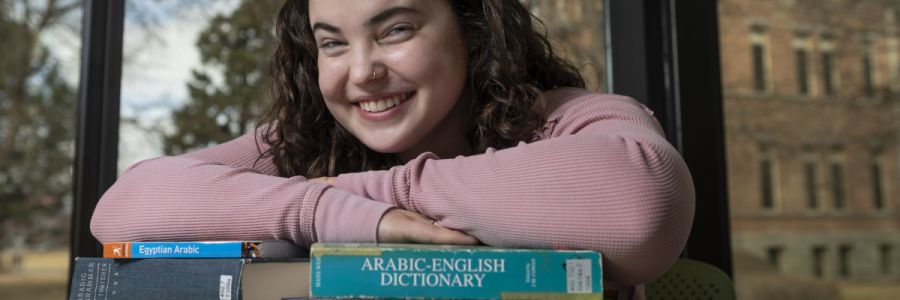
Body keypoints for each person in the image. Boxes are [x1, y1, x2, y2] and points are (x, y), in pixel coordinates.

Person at [91, 0, 695, 298]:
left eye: (396, 30)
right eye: (333, 44)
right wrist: (326, 212)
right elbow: (123, 209)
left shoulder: (568, 119)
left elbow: (638, 207)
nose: (362, 73)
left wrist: (384, 192)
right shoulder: (303, 142)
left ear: (474, 32)